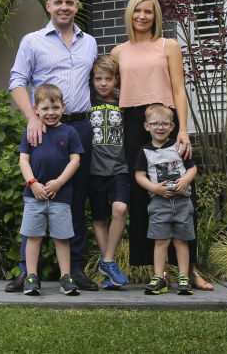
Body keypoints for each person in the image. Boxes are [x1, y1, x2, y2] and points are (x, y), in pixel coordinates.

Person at [111, 0, 213, 291]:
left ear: (156, 16)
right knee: (145, 195)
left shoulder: (168, 45)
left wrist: (183, 129)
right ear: (128, 15)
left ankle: (190, 269)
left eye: (149, 11)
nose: (142, 16)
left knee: (181, 194)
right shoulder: (118, 52)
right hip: (133, 124)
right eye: (137, 11)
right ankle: (161, 271)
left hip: (166, 121)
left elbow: (179, 89)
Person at [5, 0, 99, 292]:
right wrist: (32, 117)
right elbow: (17, 82)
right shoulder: (32, 41)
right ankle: (26, 271)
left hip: (80, 128)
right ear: (48, 6)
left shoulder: (90, 43)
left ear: (76, 6)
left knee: (76, 196)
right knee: (34, 196)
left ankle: (73, 269)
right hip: (43, 128)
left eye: (69, 2)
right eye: (58, 2)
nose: (64, 7)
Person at [18, 83, 84, 296]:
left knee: (62, 238)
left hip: (60, 196)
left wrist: (59, 182)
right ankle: (31, 277)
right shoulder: (31, 132)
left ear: (63, 107)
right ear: (35, 109)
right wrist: (32, 183)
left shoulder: (70, 132)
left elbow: (75, 161)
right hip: (33, 196)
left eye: (55, 108)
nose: (51, 113)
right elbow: (23, 160)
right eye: (45, 109)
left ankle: (66, 278)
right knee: (33, 236)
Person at [135, 103, 197, 295]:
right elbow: (139, 176)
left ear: (172, 126)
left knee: (181, 241)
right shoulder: (144, 151)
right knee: (160, 241)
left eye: (165, 124)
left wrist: (185, 181)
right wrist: (155, 189)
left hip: (182, 202)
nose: (160, 127)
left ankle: (184, 278)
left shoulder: (179, 147)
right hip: (159, 203)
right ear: (147, 126)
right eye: (155, 124)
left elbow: (193, 168)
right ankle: (159, 277)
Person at [87, 55, 129, 289]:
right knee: (99, 219)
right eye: (98, 78)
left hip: (120, 168)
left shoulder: (124, 103)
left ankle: (108, 260)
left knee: (120, 209)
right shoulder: (87, 102)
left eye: (108, 79)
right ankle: (110, 270)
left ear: (116, 80)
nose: (103, 83)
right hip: (94, 171)